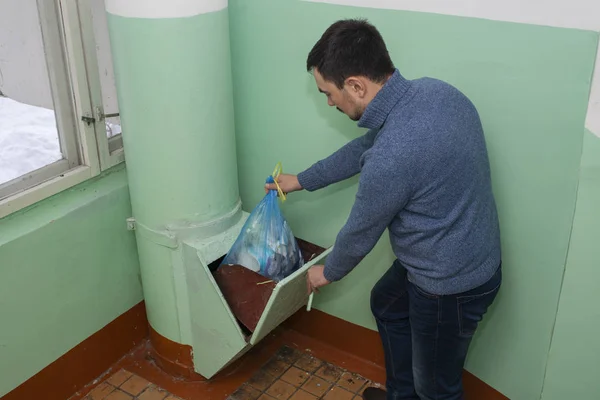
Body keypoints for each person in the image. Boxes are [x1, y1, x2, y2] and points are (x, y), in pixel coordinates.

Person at [265, 19, 502, 400]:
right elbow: (365, 150)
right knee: (387, 304)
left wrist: (327, 273)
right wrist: (301, 179)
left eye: (328, 92)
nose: (329, 102)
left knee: (437, 389)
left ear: (356, 86)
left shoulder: (394, 154)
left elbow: (361, 230)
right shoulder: (433, 93)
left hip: (449, 286)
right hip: (462, 253)